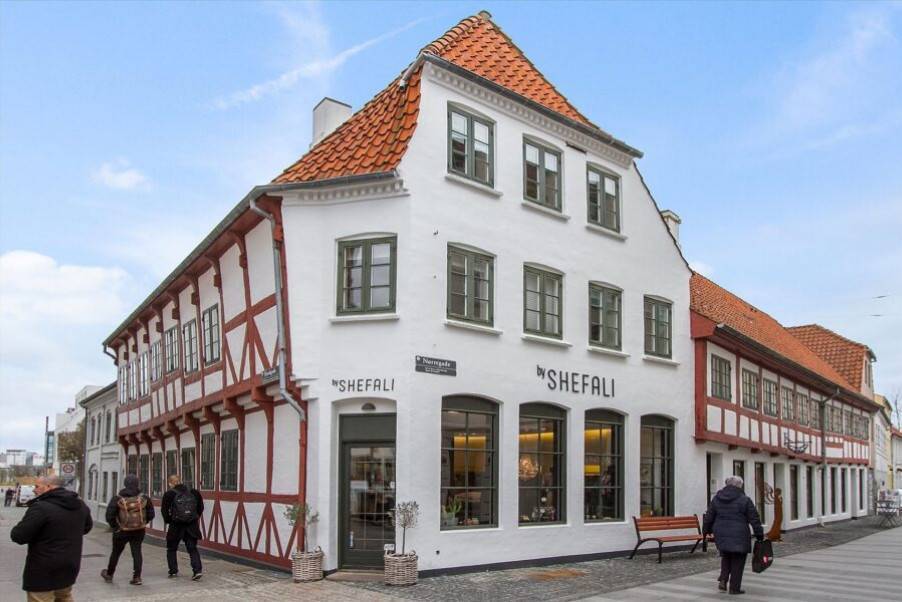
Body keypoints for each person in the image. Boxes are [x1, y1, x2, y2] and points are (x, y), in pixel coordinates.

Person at [9, 475, 93, 602]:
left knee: (40, 599)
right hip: (69, 565)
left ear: (48, 486)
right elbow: (87, 527)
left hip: (43, 570)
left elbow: (18, 536)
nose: (34, 490)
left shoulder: (41, 507)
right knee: (64, 597)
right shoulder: (80, 504)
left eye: (37, 486)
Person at [703, 475, 764, 595]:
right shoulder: (745, 499)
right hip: (739, 533)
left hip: (721, 532)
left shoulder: (717, 498)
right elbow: (754, 518)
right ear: (739, 486)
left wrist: (706, 530)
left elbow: (709, 516)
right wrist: (759, 534)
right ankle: (734, 588)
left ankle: (723, 579)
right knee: (738, 560)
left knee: (726, 555)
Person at [101, 474, 155, 586]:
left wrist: (116, 527)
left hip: (121, 531)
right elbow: (151, 514)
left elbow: (109, 516)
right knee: (137, 552)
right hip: (138, 530)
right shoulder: (144, 498)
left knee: (116, 552)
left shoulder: (117, 498)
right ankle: (137, 577)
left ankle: (110, 574)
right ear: (137, 484)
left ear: (125, 484)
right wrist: (143, 523)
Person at [160, 474, 204, 580]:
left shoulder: (169, 494)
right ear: (181, 481)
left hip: (176, 526)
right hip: (191, 526)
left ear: (170, 483)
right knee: (192, 548)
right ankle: (197, 571)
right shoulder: (194, 492)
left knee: (171, 548)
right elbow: (200, 507)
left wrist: (170, 520)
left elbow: (164, 511)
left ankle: (173, 571)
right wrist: (193, 517)